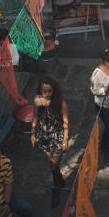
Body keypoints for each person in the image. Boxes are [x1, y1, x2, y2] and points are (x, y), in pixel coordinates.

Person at [30, 77, 69, 209]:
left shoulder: (61, 104)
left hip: (57, 135)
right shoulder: (37, 101)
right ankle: (59, 179)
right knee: (51, 162)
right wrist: (33, 133)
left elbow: (66, 122)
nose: (47, 94)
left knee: (54, 163)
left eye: (49, 91)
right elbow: (35, 116)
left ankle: (56, 188)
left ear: (54, 90)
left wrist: (65, 139)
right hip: (43, 135)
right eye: (44, 91)